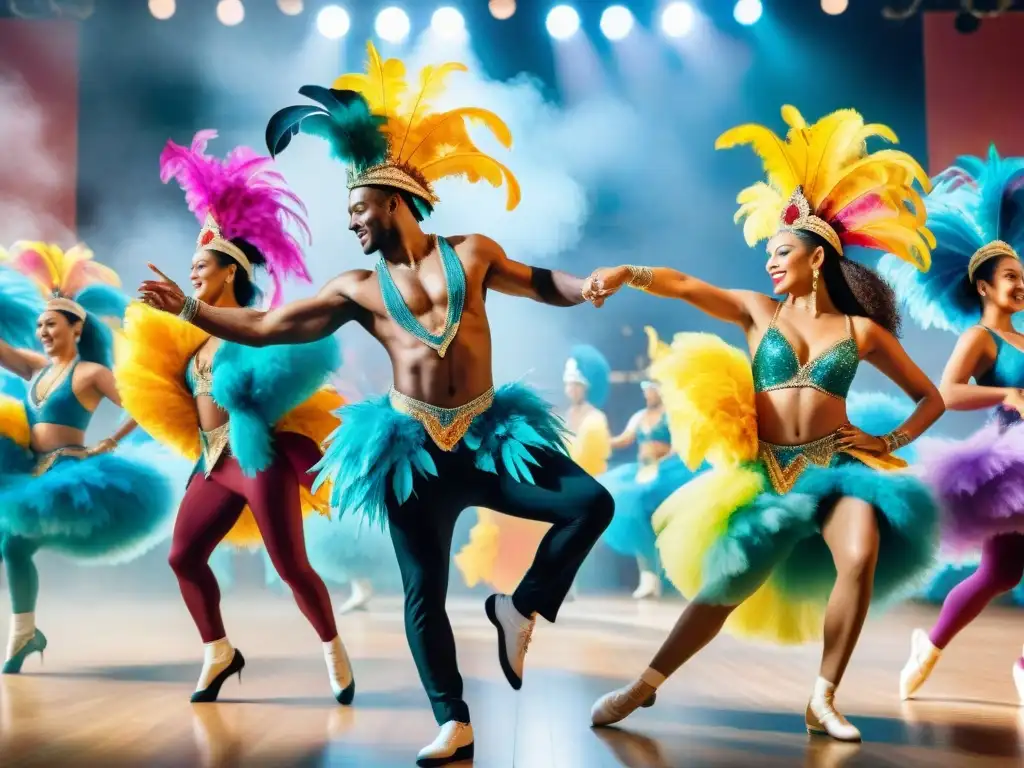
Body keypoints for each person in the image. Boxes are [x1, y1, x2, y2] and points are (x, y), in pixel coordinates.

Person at [137, 42, 613, 767]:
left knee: (590, 503)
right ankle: (453, 722)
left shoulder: (473, 253)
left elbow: (541, 282)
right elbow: (266, 327)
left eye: (359, 208)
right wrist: (192, 313)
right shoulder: (356, 289)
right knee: (423, 589)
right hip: (411, 452)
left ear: (394, 200)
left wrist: (588, 287)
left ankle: (520, 607)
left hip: (489, 435)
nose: (353, 222)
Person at [583, 105, 944, 741]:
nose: (771, 263)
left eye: (782, 252)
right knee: (728, 585)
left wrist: (887, 442)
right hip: (770, 474)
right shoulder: (758, 313)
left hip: (839, 469)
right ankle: (645, 685)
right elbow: (687, 285)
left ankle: (824, 697)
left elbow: (929, 397)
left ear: (818, 257)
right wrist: (628, 273)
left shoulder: (860, 331)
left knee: (860, 554)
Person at [115, 130, 354, 705]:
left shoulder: (254, 325)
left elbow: (281, 375)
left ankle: (333, 649)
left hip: (255, 456)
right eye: (192, 266)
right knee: (183, 556)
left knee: (292, 566)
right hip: (213, 460)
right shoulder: (191, 339)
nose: (192, 273)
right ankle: (218, 651)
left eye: (201, 265)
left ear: (229, 272)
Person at [878, 147, 1024, 701]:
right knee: (1000, 575)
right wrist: (1006, 390)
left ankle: (932, 645)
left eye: (1023, 275)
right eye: (1010, 277)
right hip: (1012, 463)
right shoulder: (980, 339)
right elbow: (948, 392)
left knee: (1001, 575)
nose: (1020, 284)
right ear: (984, 287)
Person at [0, 243, 176, 673]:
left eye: (52, 324)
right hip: (30, 471)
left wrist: (111, 441)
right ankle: (25, 633)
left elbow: (139, 405)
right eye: (39, 324)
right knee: (12, 548)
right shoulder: (38, 368)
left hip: (69, 472)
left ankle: (23, 633)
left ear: (76, 329)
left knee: (14, 545)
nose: (42, 331)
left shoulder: (92, 373)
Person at [454, 345, 613, 596]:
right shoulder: (562, 415)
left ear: (587, 387)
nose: (571, 389)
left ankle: (562, 580)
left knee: (570, 516)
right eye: (569, 384)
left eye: (577, 384)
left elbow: (592, 459)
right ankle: (524, 577)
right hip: (558, 480)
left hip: (582, 481)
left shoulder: (595, 420)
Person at [599, 377, 692, 599]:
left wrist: (661, 464)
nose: (647, 394)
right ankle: (648, 575)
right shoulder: (639, 416)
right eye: (645, 390)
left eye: (650, 389)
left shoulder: (672, 415)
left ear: (660, 391)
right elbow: (624, 439)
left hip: (666, 474)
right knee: (630, 508)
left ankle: (664, 576)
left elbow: (678, 447)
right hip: (642, 472)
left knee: (654, 514)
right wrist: (600, 439)